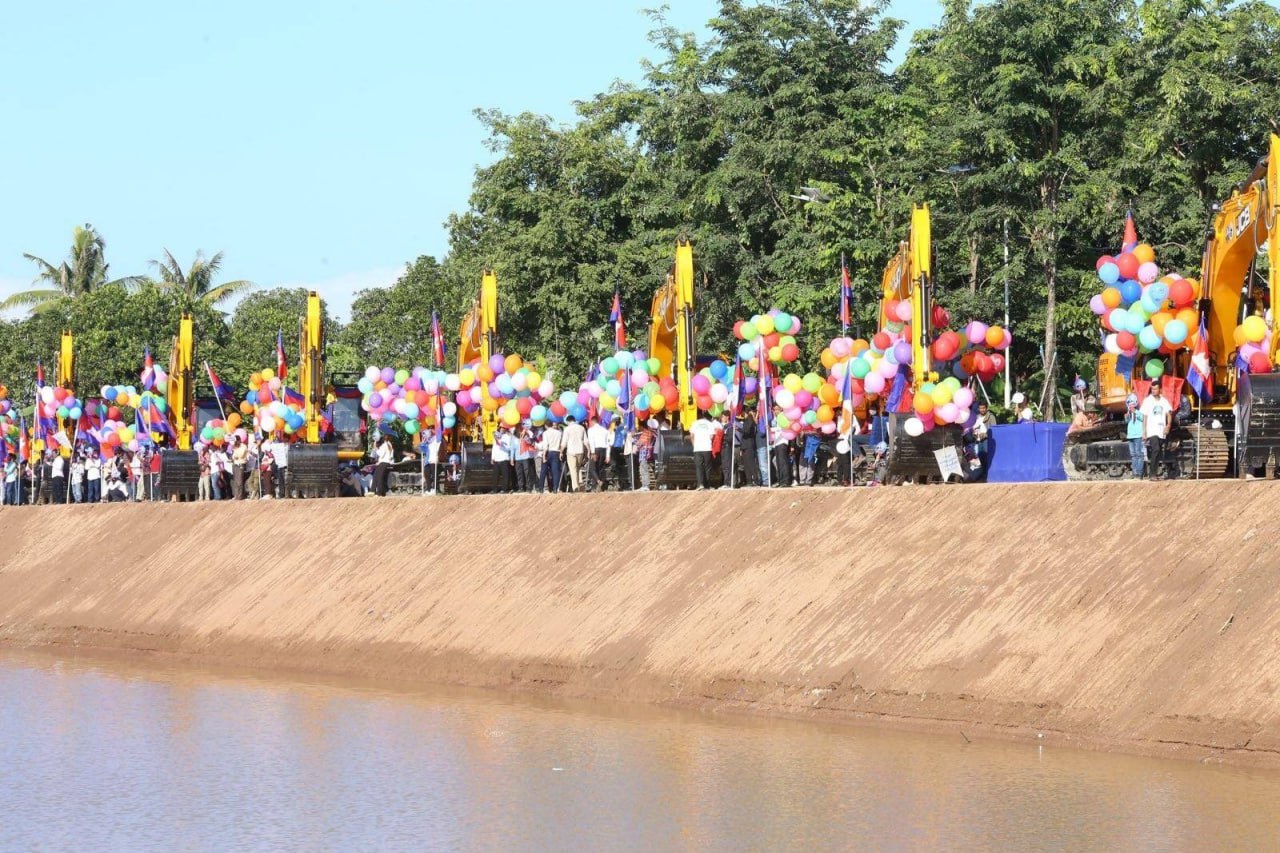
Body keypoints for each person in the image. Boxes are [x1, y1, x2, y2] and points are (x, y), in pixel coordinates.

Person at [1139, 384, 1173, 479]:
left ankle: (1155, 472)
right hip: (1151, 430)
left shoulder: (1164, 401)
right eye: (1152, 389)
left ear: (1160, 389)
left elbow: (1169, 413)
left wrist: (1168, 425)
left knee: (1158, 452)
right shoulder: (1148, 401)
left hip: (1161, 430)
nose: (1153, 390)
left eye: (1155, 389)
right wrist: (1144, 432)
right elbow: (1144, 417)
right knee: (1156, 449)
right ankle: (1152, 474)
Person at [689, 411, 720, 490]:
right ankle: (707, 484)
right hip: (707, 448)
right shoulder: (710, 424)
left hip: (697, 448)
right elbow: (711, 437)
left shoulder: (694, 423)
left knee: (699, 467)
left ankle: (700, 484)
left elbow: (692, 436)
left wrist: (694, 445)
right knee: (707, 467)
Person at [561, 415, 587, 493]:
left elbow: (564, 442)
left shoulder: (567, 429)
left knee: (573, 469)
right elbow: (585, 441)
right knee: (578, 468)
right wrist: (588, 451)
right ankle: (581, 482)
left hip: (571, 451)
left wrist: (561, 451)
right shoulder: (582, 428)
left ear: (568, 421)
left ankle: (575, 486)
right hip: (580, 450)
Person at [538, 420, 563, 493]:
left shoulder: (545, 433)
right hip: (556, 452)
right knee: (555, 471)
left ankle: (541, 488)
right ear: (552, 424)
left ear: (546, 426)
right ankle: (555, 488)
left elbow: (545, 445)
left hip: (548, 452)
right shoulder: (559, 433)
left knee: (543, 471)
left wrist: (544, 457)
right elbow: (561, 443)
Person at [1123, 392, 1145, 478]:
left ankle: (1139, 472)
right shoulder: (1129, 413)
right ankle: (1134, 471)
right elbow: (1127, 421)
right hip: (1131, 435)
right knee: (1133, 454)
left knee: (1139, 453)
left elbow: (1143, 418)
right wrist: (1127, 415)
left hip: (1138, 435)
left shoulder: (1139, 411)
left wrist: (1135, 411)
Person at [587, 417, 611, 491]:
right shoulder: (605, 430)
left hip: (596, 449)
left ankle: (598, 481)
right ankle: (596, 487)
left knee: (592, 468)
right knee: (599, 468)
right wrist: (607, 455)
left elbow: (591, 441)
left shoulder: (591, 430)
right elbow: (608, 444)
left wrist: (593, 452)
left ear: (592, 422)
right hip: (603, 450)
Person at [770, 408, 792, 487]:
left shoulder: (783, 416)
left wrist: (771, 429)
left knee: (783, 462)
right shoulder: (777, 418)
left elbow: (783, 427)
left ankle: (786, 481)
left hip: (783, 441)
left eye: (777, 409)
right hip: (777, 442)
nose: (775, 411)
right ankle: (781, 480)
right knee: (778, 463)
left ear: (781, 409)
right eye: (774, 410)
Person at [635, 418, 657, 491]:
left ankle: (645, 485)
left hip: (643, 453)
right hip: (647, 453)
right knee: (644, 468)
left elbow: (640, 443)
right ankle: (645, 485)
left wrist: (634, 440)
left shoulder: (646, 432)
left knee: (643, 469)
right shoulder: (652, 433)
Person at [739, 412, 760, 486]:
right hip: (745, 445)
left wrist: (738, 429)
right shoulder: (746, 421)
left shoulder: (750, 421)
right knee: (746, 464)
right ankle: (749, 481)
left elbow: (747, 432)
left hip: (749, 445)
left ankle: (756, 480)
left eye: (743, 413)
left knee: (751, 463)